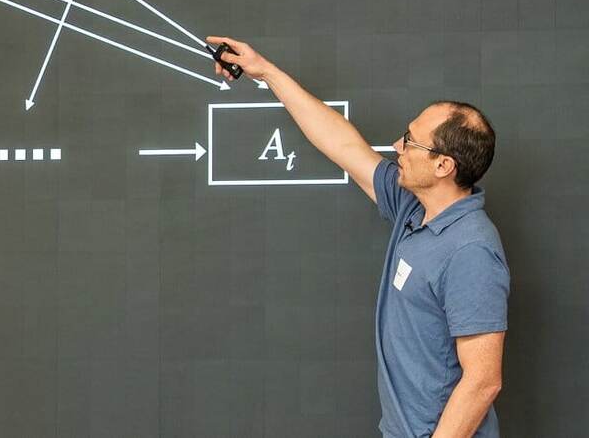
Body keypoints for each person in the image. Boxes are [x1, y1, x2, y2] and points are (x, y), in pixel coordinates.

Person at [206, 36, 509, 438]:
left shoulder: (471, 250)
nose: (397, 146)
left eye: (411, 142)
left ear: (443, 166)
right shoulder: (412, 207)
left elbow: (483, 382)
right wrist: (267, 72)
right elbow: (343, 144)